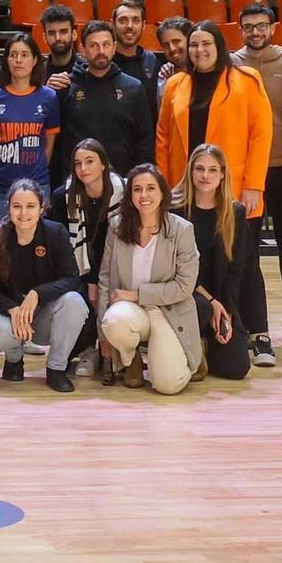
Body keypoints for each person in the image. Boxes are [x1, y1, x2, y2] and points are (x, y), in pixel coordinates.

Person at [156, 20, 274, 365]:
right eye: (194, 45)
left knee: (245, 262)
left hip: (234, 191)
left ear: (219, 45)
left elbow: (261, 134)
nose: (199, 51)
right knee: (193, 263)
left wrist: (253, 184)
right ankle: (206, 326)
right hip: (186, 194)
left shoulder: (247, 80)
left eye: (206, 43)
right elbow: (163, 138)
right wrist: (165, 190)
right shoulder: (177, 84)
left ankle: (259, 333)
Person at [233, 3, 282, 349]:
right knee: (247, 250)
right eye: (249, 27)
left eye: (261, 26)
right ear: (240, 28)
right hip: (248, 171)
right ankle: (249, 319)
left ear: (273, 27)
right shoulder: (232, 63)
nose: (255, 32)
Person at [95, 164, 201, 394]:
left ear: (163, 192)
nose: (144, 196)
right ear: (130, 194)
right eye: (137, 189)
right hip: (129, 309)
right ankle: (130, 359)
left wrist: (138, 294)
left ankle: (192, 353)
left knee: (168, 385)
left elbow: (184, 286)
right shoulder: (116, 226)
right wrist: (102, 334)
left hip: (167, 309)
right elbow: (105, 278)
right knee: (114, 322)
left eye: (151, 188)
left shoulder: (182, 230)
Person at [0, 179, 86, 391]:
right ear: (8, 207)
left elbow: (72, 278)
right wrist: (13, 309)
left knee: (75, 302)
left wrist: (37, 294)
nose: (23, 213)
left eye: (30, 206)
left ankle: (56, 369)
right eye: (17, 206)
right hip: (9, 315)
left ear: (41, 207)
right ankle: (14, 359)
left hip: (43, 314)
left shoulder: (56, 233)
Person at [177, 144, 252, 381]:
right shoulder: (176, 210)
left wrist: (226, 310)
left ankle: (205, 345)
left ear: (222, 175)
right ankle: (194, 341)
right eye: (199, 169)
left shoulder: (235, 212)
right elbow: (177, 270)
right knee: (202, 308)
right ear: (190, 173)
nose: (205, 176)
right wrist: (211, 302)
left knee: (236, 368)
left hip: (220, 296)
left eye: (212, 170)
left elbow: (236, 270)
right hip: (187, 295)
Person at [0, 33, 60, 225]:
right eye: (13, 55)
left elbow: (49, 144)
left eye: (25, 55)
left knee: (34, 247)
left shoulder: (49, 97)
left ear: (35, 59)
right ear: (7, 60)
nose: (18, 60)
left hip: (35, 186)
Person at [53, 137, 122, 379]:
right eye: (78, 163)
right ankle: (88, 350)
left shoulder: (121, 194)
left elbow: (111, 245)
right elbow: (60, 243)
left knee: (107, 297)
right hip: (76, 267)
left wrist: (96, 280)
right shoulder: (64, 196)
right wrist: (87, 280)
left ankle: (116, 353)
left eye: (90, 161)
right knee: (79, 310)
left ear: (103, 164)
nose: (83, 169)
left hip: (115, 265)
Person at [53, 20, 153, 182]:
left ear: (114, 47)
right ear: (82, 49)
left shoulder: (133, 87)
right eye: (93, 46)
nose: (101, 51)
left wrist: (140, 180)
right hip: (78, 182)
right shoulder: (66, 87)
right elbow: (57, 142)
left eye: (106, 45)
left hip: (122, 182)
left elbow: (144, 141)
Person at [109, 0, 162, 110]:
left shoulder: (152, 63)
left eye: (135, 20)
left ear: (143, 25)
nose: (129, 26)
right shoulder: (104, 63)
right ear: (113, 24)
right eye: (123, 20)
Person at [39, 4, 79, 88]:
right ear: (44, 37)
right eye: (51, 33)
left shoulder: (87, 70)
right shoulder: (36, 73)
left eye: (63, 32)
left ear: (74, 34)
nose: (57, 38)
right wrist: (45, 92)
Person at [155, 16, 193, 89]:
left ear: (190, 40)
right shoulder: (165, 74)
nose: (172, 49)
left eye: (176, 41)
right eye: (166, 45)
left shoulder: (205, 70)